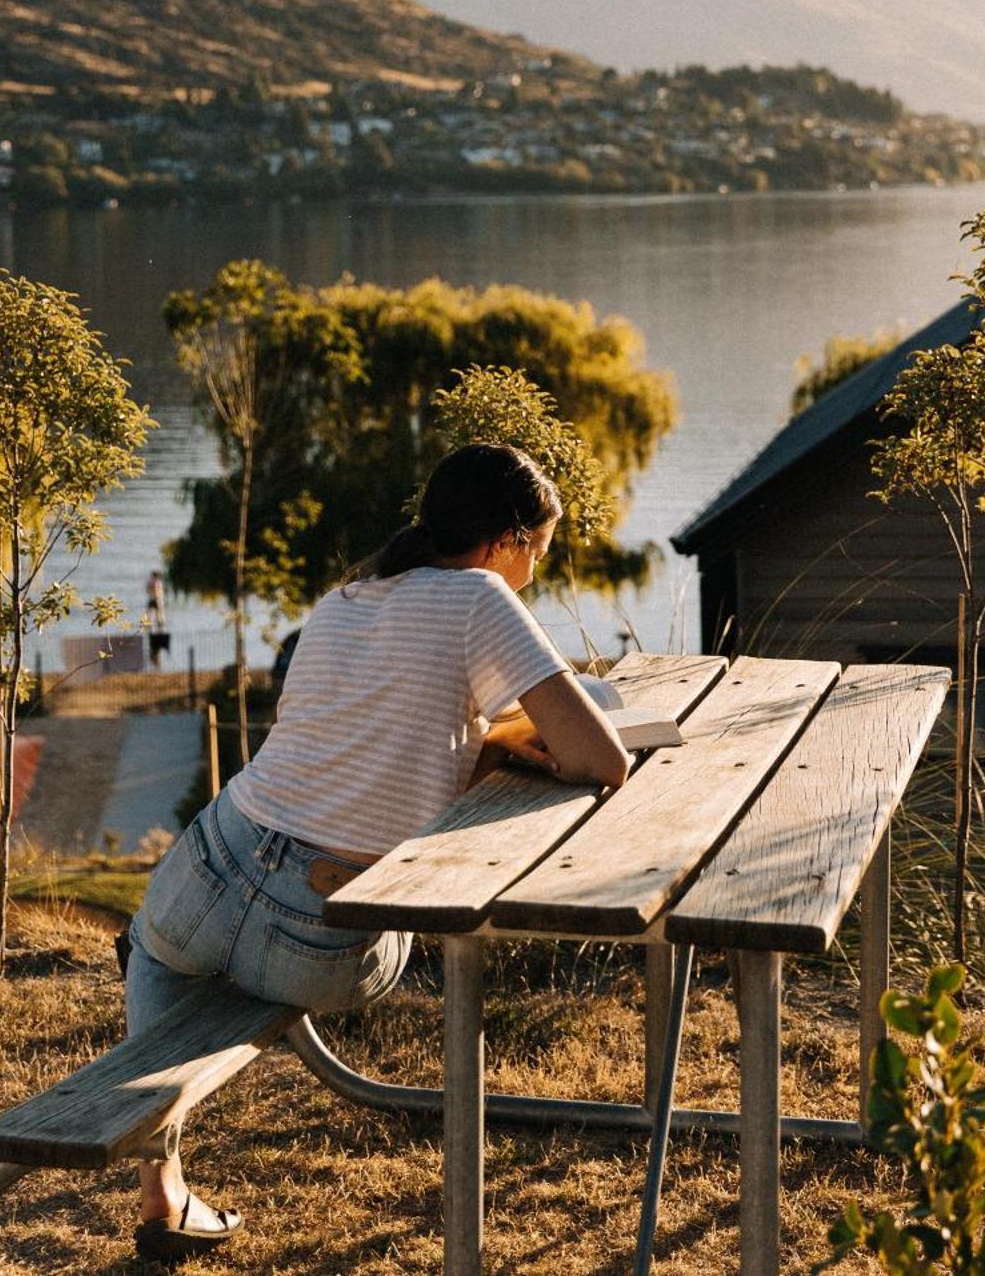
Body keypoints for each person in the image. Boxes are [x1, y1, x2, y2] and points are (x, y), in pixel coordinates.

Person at [122, 443, 628, 1263]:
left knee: (151, 950)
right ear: (504, 540)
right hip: (323, 941)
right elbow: (604, 759)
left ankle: (161, 1184)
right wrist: (505, 750)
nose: (537, 564)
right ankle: (164, 1181)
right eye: (538, 546)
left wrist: (484, 746)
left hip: (207, 874)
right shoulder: (482, 599)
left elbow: (352, 738)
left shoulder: (348, 595)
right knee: (384, 936)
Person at [145, 569, 171, 665]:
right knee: (158, 614)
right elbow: (158, 590)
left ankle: (149, 624)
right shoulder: (157, 581)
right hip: (157, 598)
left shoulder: (151, 581)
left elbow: (148, 589)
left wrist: (152, 594)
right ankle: (158, 625)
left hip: (152, 598)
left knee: (150, 613)